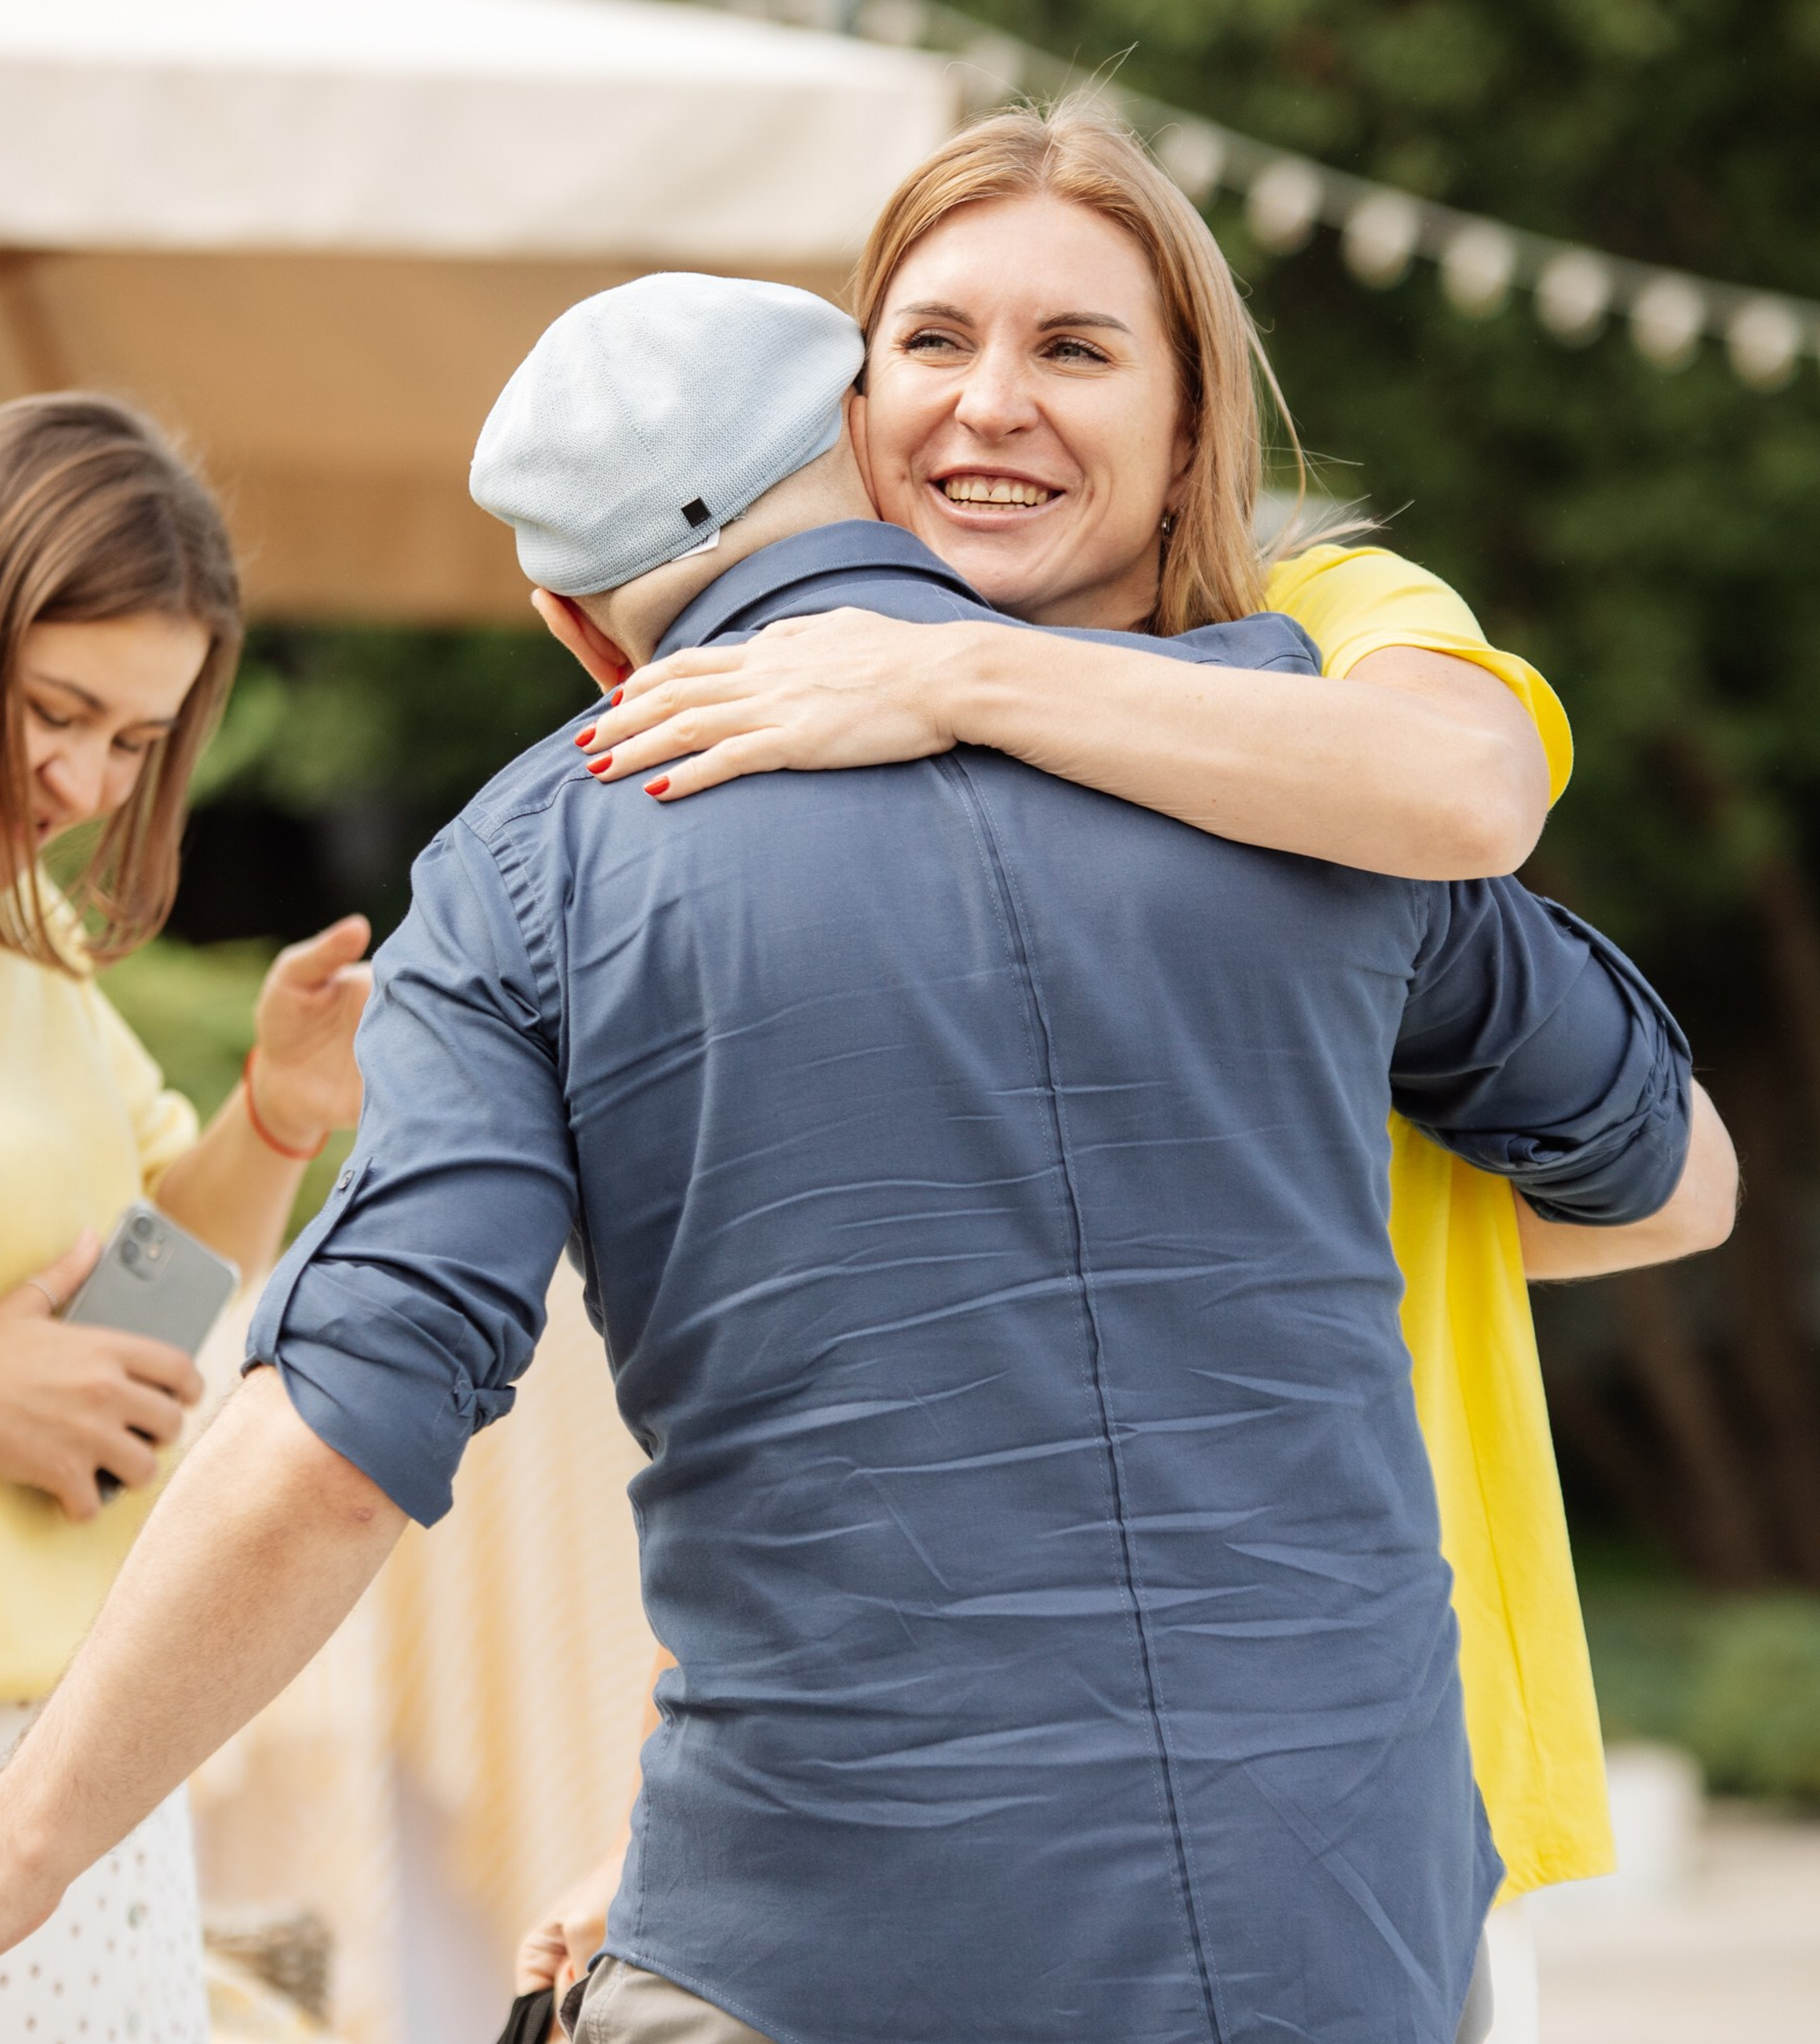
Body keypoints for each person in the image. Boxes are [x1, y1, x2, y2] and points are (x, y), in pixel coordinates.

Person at [0, 275, 1734, 2044]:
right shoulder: (1289, 753)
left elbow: (334, 1443)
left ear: (570, 627)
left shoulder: (530, 868)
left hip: (828, 1928)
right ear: (875, 469)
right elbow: (1662, 1181)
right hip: (1349, 1920)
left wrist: (11, 1850)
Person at [525, 102, 1634, 2028]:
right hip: (983, 1813)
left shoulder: (1318, 628)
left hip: (1373, 1761)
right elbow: (832, 1399)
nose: (987, 406)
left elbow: (1499, 851)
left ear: (1190, 423)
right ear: (842, 406)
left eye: (1074, 348)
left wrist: (953, 677)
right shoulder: (812, 764)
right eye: (931, 343)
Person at [0, 395, 369, 2044]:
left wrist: (275, 1108)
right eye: (57, 710)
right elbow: (20, 1381)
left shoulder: (7, 911)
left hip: (62, 1785)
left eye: (134, 739)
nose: (87, 778)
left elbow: (135, 1307)